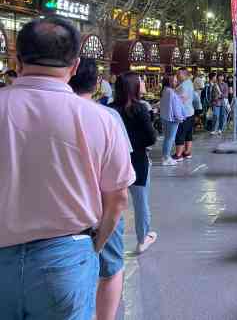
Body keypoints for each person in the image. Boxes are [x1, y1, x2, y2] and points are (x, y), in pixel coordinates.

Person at [0, 17, 134, 320]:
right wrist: (95, 244)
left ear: (16, 60)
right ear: (74, 66)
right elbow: (118, 198)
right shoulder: (99, 119)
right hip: (65, 259)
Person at [69, 59, 132, 320]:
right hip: (102, 209)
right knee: (111, 269)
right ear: (96, 84)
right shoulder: (107, 116)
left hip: (66, 213)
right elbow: (120, 185)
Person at [111, 73, 159, 256]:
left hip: (115, 162)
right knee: (141, 202)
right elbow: (151, 138)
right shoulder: (140, 109)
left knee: (113, 202)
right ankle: (142, 239)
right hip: (137, 161)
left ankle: (111, 238)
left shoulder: (109, 109)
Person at [160, 74, 186, 166]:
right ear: (169, 82)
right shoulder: (170, 92)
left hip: (165, 117)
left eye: (176, 81)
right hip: (172, 119)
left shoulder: (165, 90)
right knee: (170, 139)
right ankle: (166, 158)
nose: (176, 82)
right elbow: (175, 107)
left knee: (167, 138)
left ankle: (165, 156)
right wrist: (180, 117)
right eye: (174, 81)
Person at [174, 67, 195, 161]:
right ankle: (187, 152)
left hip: (184, 113)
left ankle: (178, 155)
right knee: (188, 134)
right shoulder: (189, 83)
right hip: (190, 112)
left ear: (184, 74)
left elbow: (181, 99)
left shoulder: (183, 86)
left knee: (180, 134)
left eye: (179, 74)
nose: (177, 76)